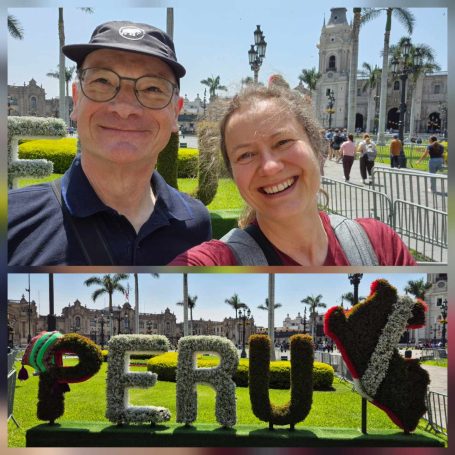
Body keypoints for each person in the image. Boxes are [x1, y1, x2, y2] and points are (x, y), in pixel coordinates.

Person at [8, 21, 211, 265]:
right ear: (77, 99)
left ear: (175, 112)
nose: (124, 108)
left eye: (152, 88)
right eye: (103, 82)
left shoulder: (195, 223)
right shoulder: (13, 218)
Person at [169, 84, 415, 266]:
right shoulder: (217, 262)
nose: (270, 167)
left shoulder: (379, 243)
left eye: (283, 142)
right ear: (233, 175)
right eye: (246, 155)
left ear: (317, 147)